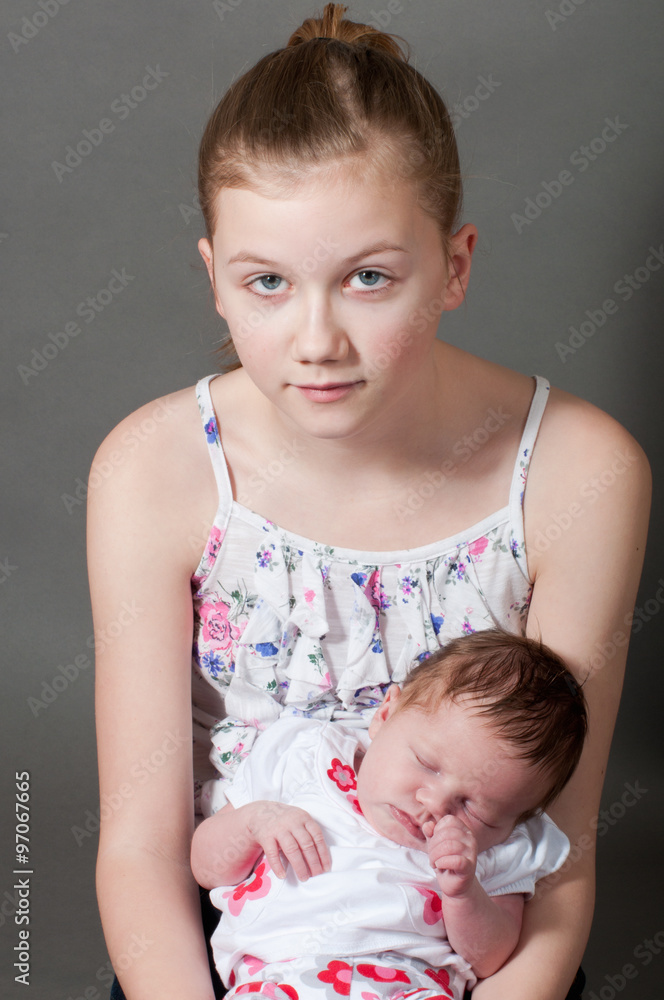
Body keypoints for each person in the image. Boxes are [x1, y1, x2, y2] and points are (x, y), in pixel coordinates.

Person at [87, 4, 651, 1000]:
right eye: (266, 281)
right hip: (240, 931)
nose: (315, 340)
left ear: (454, 267)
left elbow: (559, 869)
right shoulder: (153, 468)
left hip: (461, 945)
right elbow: (140, 848)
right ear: (215, 278)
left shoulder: (578, 471)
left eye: (368, 278)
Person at [191, 631, 588, 999]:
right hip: (274, 978)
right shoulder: (303, 758)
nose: (435, 803)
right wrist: (255, 822)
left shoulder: (492, 849)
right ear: (385, 715)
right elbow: (207, 868)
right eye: (427, 765)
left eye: (474, 808)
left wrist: (464, 893)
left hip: (409, 986)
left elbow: (491, 958)